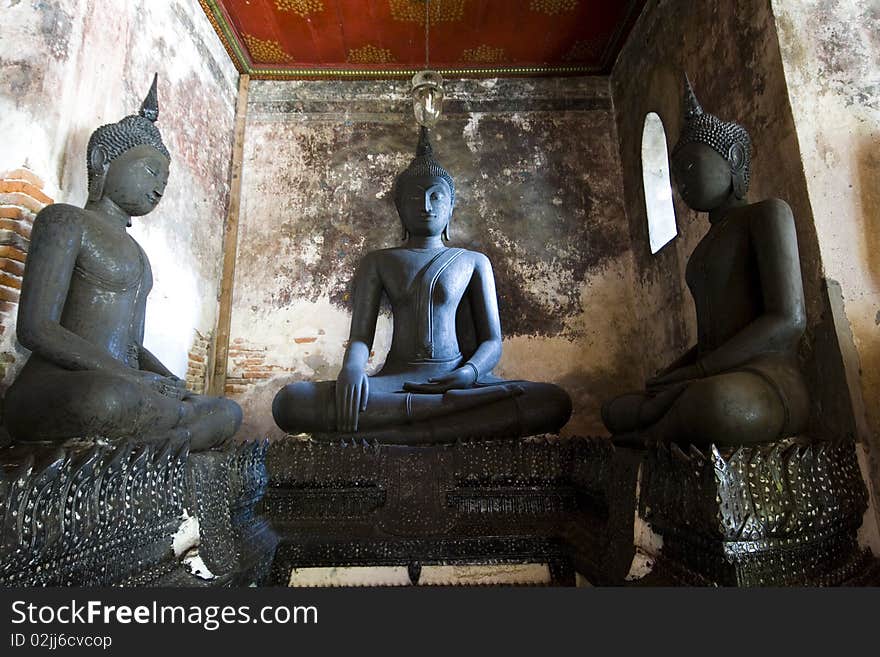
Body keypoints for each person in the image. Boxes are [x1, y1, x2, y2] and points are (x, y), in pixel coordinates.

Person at [273, 128, 571, 443]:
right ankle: (443, 423)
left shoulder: (473, 261)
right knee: (291, 403)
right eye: (415, 197)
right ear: (399, 207)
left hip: (458, 381)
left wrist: (467, 374)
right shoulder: (379, 261)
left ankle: (401, 432)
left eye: (435, 196)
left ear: (451, 205)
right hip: (395, 381)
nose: (426, 205)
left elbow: (492, 342)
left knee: (553, 402)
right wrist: (352, 370)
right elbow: (361, 337)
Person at [4, 75, 242, 450]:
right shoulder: (66, 221)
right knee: (110, 399)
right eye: (150, 170)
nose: (160, 186)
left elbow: (133, 345)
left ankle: (166, 442)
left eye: (165, 177)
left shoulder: (141, 258)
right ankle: (174, 439)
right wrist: (129, 379)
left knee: (227, 411)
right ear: (103, 160)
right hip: (63, 384)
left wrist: (168, 381)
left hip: (128, 385)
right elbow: (35, 328)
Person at [601, 76, 809, 447]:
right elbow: (713, 340)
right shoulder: (703, 250)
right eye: (678, 175)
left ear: (735, 158)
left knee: (717, 403)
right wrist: (674, 372)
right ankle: (660, 424)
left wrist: (698, 372)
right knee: (617, 410)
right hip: (712, 372)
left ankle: (656, 434)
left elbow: (788, 319)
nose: (683, 183)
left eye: (692, 168)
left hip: (765, 377)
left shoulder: (767, 214)